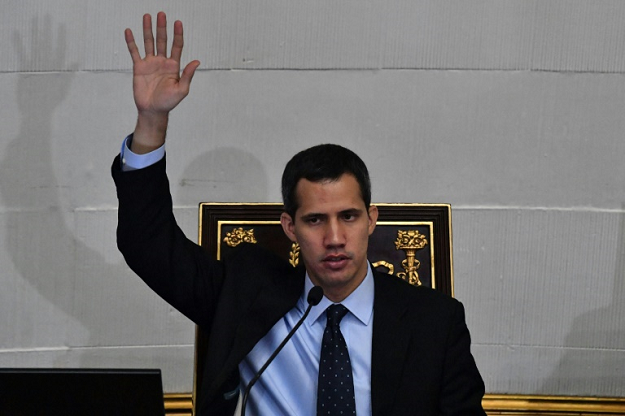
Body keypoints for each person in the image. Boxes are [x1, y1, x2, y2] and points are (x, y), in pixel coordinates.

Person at [112, 12, 486, 416]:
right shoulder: (246, 294)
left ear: (371, 219)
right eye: (315, 220)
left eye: (349, 216)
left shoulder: (434, 322)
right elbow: (147, 244)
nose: (335, 238)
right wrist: (151, 122)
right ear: (289, 226)